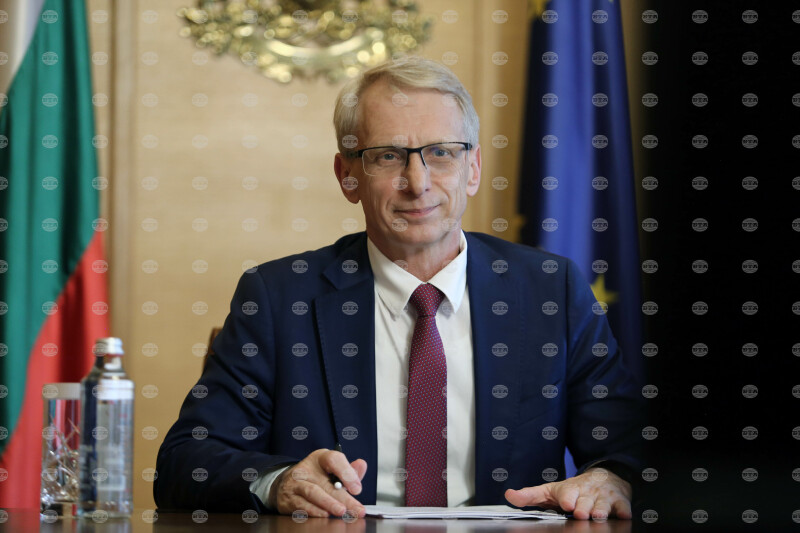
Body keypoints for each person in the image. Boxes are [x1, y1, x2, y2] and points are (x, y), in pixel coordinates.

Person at [155, 57, 641, 520]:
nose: (418, 181)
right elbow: (186, 460)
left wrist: (613, 478)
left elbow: (632, 446)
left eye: (441, 153)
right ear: (348, 176)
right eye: (388, 156)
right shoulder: (280, 297)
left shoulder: (550, 291)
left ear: (472, 169)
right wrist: (280, 481)